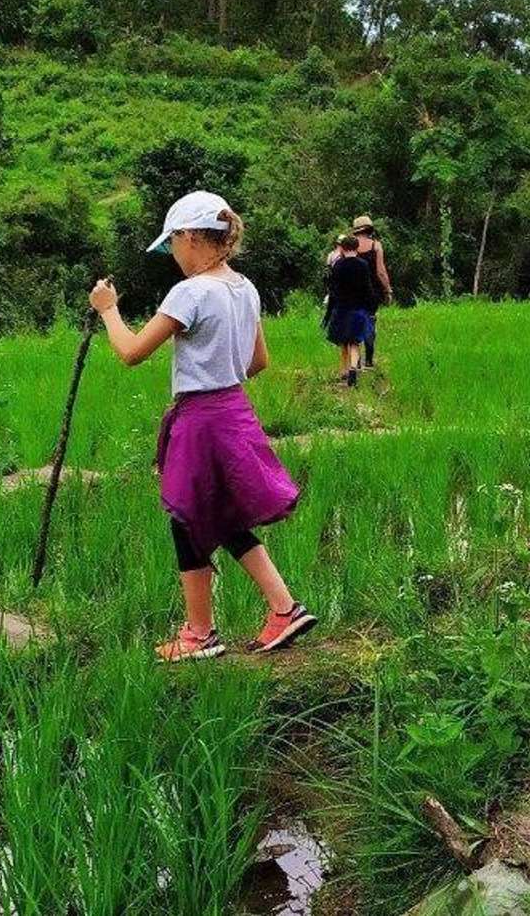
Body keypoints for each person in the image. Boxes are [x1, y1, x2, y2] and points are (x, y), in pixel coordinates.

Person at [88, 191, 316, 662]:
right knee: (222, 514)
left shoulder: (191, 292)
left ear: (191, 237)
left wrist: (108, 309)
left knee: (188, 517)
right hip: (235, 410)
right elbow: (259, 361)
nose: (172, 254)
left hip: (202, 418)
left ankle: (199, 633)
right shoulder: (244, 288)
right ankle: (283, 608)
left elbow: (131, 352)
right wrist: (221, 374)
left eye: (172, 243)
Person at [325, 214, 391, 368]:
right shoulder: (376, 246)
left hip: (348, 294)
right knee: (370, 320)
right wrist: (387, 289)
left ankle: (355, 362)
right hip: (370, 291)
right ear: (370, 229)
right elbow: (381, 271)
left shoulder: (349, 247)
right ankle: (368, 358)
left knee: (353, 323)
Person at [324, 233, 379, 386]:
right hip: (358, 309)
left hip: (342, 308)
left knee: (344, 342)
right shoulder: (363, 265)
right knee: (355, 342)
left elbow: (333, 289)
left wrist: (330, 310)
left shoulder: (338, 266)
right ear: (356, 247)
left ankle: (344, 371)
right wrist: (372, 306)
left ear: (343, 248)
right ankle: (354, 369)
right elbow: (367, 288)